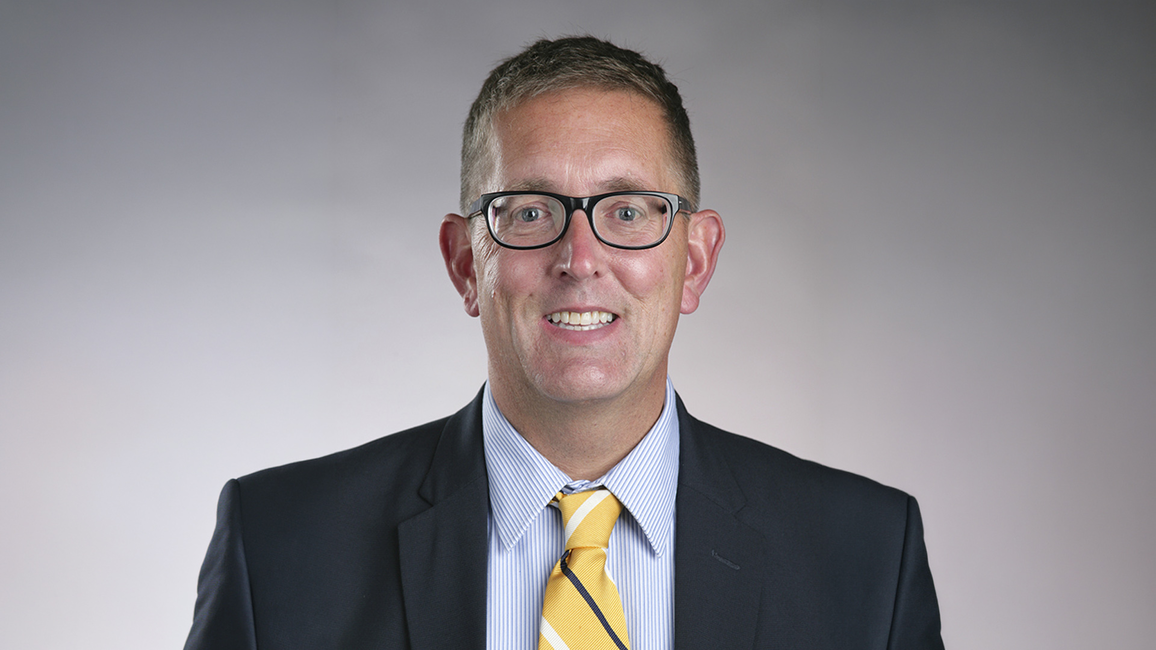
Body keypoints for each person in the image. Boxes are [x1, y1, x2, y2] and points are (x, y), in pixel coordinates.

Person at [184, 36, 944, 650]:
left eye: (628, 211)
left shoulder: (868, 556)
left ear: (697, 260)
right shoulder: (280, 545)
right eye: (528, 212)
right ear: (464, 263)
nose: (580, 259)